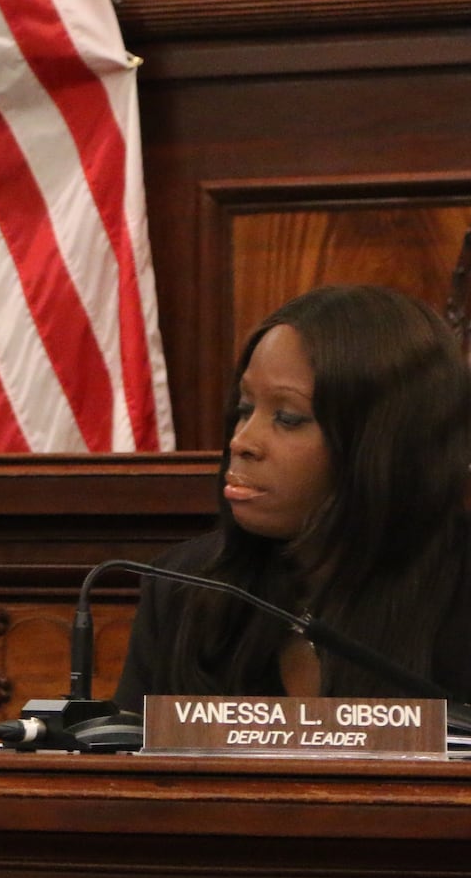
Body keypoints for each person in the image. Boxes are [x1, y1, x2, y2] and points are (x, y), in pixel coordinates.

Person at [114, 284, 471, 710]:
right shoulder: (185, 586)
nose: (242, 442)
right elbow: (128, 765)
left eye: (288, 418)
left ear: (382, 444)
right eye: (245, 409)